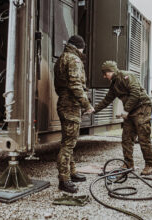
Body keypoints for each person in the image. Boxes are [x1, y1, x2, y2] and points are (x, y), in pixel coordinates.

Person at [94, 61, 152, 175]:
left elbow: (135, 93)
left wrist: (126, 110)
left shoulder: (126, 76)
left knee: (143, 137)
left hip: (142, 107)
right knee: (126, 138)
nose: (104, 76)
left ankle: (149, 165)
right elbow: (107, 100)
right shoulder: (114, 84)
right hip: (130, 111)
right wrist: (94, 110)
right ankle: (128, 164)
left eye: (105, 73)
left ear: (110, 71)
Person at [54, 35, 94, 193]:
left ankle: (72, 172)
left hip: (64, 103)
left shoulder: (61, 58)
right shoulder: (74, 59)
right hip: (70, 105)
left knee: (68, 141)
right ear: (79, 47)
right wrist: (87, 104)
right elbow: (76, 84)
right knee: (68, 144)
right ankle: (64, 180)